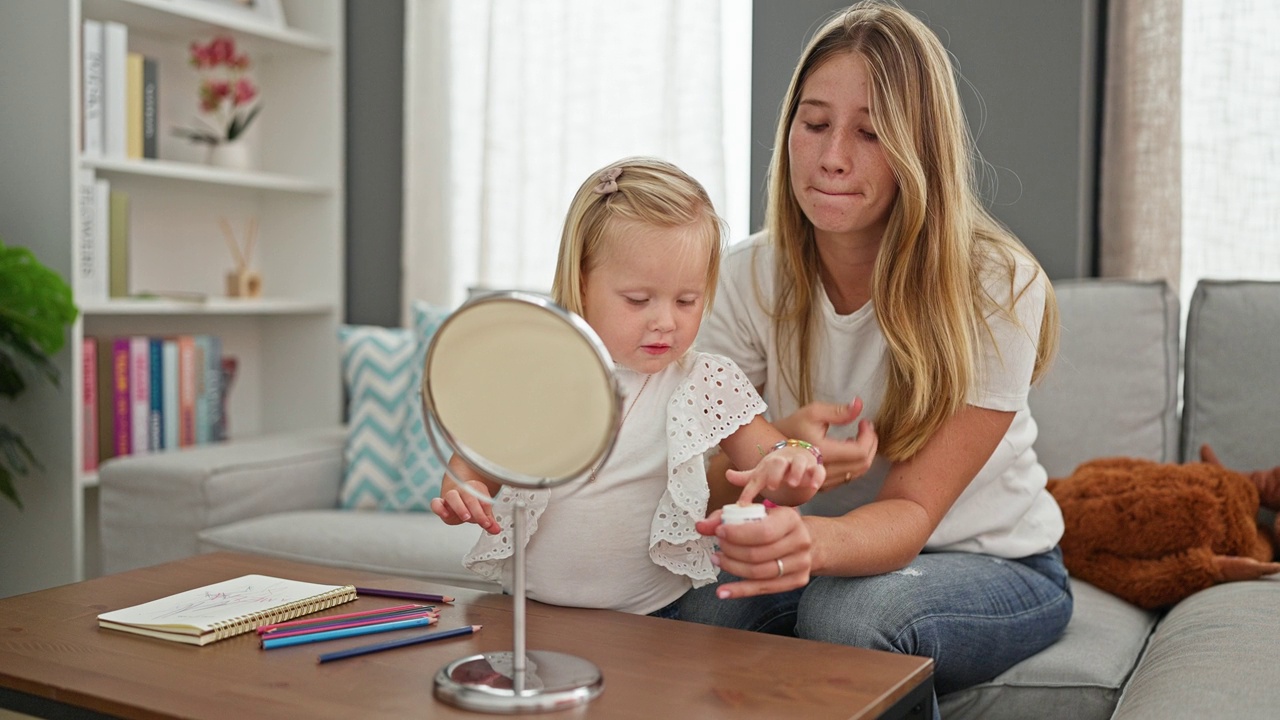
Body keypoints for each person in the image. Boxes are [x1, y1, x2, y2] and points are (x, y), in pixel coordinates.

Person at [677, 0, 1074, 703]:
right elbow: (701, 483)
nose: (832, 157)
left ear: (919, 150)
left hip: (992, 563)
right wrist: (770, 458)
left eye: (871, 133)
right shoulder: (742, 277)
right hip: (823, 551)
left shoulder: (999, 286)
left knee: (850, 616)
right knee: (694, 607)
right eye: (816, 122)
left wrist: (810, 543)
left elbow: (913, 513)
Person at [430, 157, 827, 618]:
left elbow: (776, 458)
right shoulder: (540, 371)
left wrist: (795, 463)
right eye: (638, 300)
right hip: (527, 611)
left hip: (656, 618)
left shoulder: (703, 382)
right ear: (582, 280)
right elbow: (474, 465)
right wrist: (465, 492)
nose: (665, 322)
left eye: (687, 300)